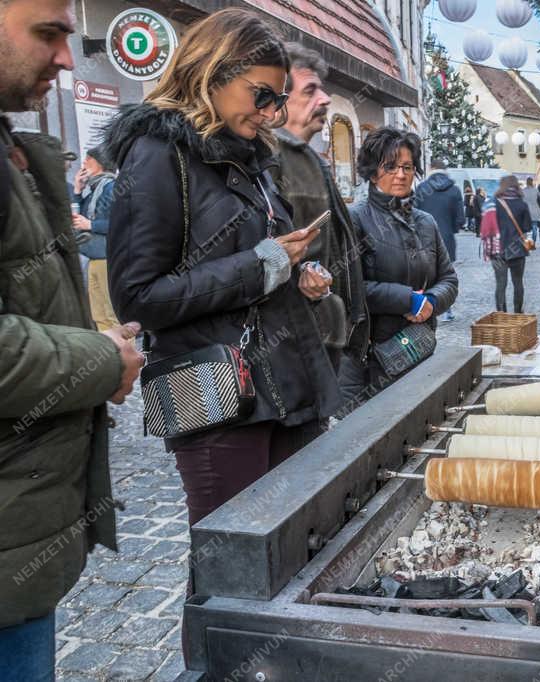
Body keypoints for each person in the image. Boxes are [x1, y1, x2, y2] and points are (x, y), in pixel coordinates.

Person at [104, 9, 341, 527]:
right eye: (263, 95)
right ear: (213, 72)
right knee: (231, 568)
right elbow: (139, 296)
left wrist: (298, 272)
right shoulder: (157, 154)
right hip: (214, 397)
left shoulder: (253, 158)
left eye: (279, 100)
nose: (272, 113)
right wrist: (265, 265)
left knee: (292, 551)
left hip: (284, 385)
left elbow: (258, 259)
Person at [0, 0, 144, 677]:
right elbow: (152, 284)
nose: (65, 54)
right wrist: (102, 357)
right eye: (46, 33)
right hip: (206, 392)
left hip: (24, 529)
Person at [338, 128, 458, 413]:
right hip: (368, 360)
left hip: (416, 349)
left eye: (407, 167)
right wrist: (407, 299)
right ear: (372, 172)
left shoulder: (425, 222)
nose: (401, 175)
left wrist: (431, 301)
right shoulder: (355, 219)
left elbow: (449, 279)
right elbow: (347, 288)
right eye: (390, 167)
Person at [270, 42, 369, 377]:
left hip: (323, 330)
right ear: (277, 97)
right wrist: (302, 276)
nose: (325, 99)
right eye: (310, 90)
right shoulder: (267, 157)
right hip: (291, 341)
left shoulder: (309, 158)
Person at [71, 146, 119, 330]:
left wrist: (91, 225)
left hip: (108, 259)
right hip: (94, 259)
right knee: (99, 316)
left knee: (112, 315)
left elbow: (123, 224)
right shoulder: (93, 190)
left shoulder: (112, 187)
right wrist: (77, 191)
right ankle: (112, 356)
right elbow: (76, 219)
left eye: (88, 159)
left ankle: (127, 357)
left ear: (101, 163)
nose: (83, 163)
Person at [414, 158, 464, 323]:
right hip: (447, 238)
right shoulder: (454, 190)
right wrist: (450, 230)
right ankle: (446, 309)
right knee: (445, 275)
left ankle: (424, 307)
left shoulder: (422, 188)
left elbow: (412, 215)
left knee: (425, 274)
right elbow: (460, 219)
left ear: (431, 169)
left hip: (422, 239)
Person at [489, 175, 532, 313]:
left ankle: (502, 314)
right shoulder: (522, 204)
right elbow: (527, 227)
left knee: (500, 284)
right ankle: (518, 313)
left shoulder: (494, 203)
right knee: (518, 283)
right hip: (517, 249)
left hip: (497, 249)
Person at [522, 176, 540, 248]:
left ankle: (526, 244)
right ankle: (533, 243)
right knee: (534, 227)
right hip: (535, 211)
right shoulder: (536, 190)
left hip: (526, 212)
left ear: (526, 182)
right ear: (532, 182)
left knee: (525, 229)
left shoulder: (523, 191)